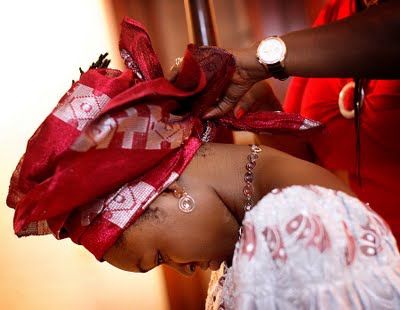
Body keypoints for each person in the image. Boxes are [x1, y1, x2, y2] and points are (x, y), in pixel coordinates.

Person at [6, 16, 400, 310]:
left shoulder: (295, 224)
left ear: (167, 190)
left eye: (159, 258)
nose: (186, 271)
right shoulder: (278, 221)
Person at [196, 0, 400, 242]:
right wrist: (263, 109)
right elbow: (305, 165)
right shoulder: (336, 15)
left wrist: (257, 60)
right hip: (371, 248)